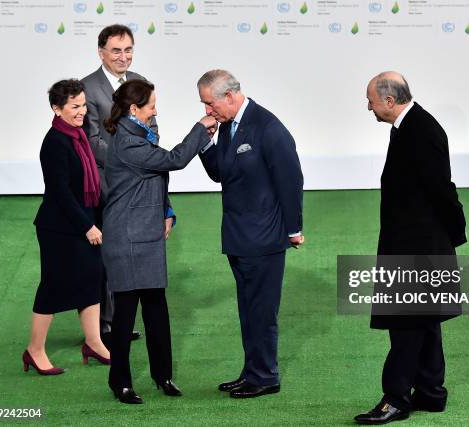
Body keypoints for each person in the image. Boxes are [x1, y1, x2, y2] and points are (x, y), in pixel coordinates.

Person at [354, 72, 467, 424]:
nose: (368, 106)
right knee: (425, 320)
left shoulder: (422, 130)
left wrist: (452, 235)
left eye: (371, 100)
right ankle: (431, 393)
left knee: (406, 325)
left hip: (418, 247)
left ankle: (396, 399)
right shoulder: (409, 126)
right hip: (415, 242)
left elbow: (442, 189)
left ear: (390, 101)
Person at [102, 79, 217, 404]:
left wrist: (166, 209)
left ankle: (162, 375)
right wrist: (199, 128)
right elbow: (173, 161)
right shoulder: (128, 143)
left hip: (145, 233)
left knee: (155, 307)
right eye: (152, 105)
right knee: (125, 314)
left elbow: (151, 179)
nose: (156, 110)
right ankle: (120, 381)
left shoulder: (138, 134)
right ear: (134, 109)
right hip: (127, 236)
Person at [197, 70, 304, 399]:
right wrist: (204, 141)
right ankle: (252, 371)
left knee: (261, 311)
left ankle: (265, 376)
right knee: (248, 309)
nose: (207, 111)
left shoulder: (268, 128)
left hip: (264, 239)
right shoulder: (228, 125)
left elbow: (291, 180)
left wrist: (294, 228)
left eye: (209, 104)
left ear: (229, 96)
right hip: (238, 237)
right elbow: (220, 172)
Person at [25, 79, 110, 376]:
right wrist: (87, 225)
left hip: (81, 221)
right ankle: (34, 351)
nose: (82, 111)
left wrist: (92, 220)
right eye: (75, 106)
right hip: (58, 228)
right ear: (56, 108)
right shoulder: (55, 142)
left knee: (92, 277)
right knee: (52, 286)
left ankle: (94, 342)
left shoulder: (79, 135)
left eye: (84, 105)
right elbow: (60, 192)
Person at [82, 24, 149, 344]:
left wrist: (146, 155)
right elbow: (92, 140)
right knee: (108, 255)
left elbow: (153, 126)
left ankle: (119, 320)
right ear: (101, 53)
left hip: (138, 182)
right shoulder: (87, 88)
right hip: (105, 184)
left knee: (129, 252)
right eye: (116, 50)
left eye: (128, 49)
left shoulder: (140, 83)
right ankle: (104, 325)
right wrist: (128, 159)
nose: (123, 56)